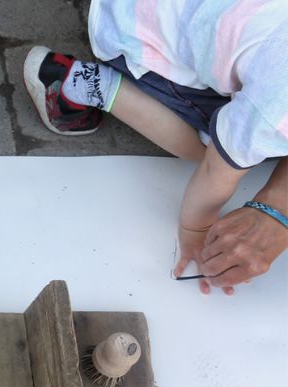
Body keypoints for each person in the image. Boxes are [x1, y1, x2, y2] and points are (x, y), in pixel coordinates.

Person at [23, 0, 288, 294]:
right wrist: (196, 233)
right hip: (131, 26)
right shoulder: (274, 115)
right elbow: (215, 170)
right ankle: (82, 83)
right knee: (215, 148)